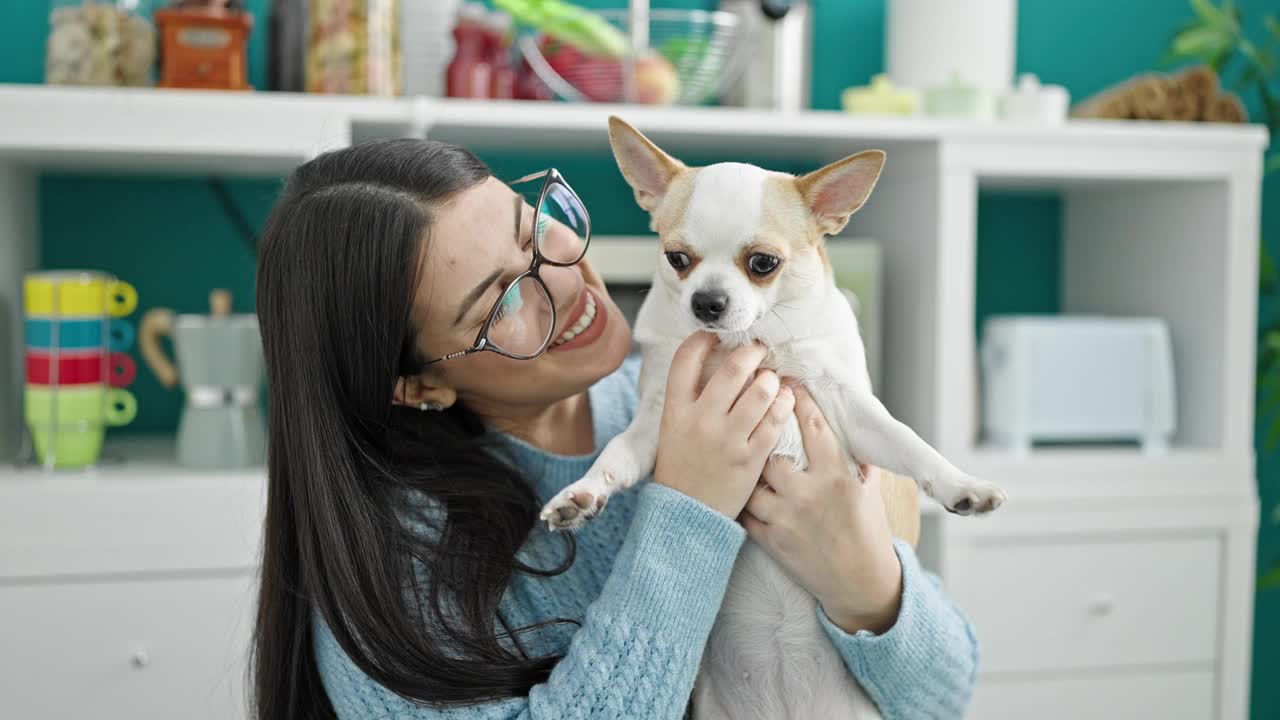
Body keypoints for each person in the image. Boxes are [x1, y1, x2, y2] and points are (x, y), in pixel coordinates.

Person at [251, 138, 979, 720]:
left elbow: (945, 696)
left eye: (538, 227)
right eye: (503, 301)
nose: (565, 282)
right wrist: (685, 513)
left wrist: (865, 582)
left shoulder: (714, 399)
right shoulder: (389, 565)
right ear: (417, 382)